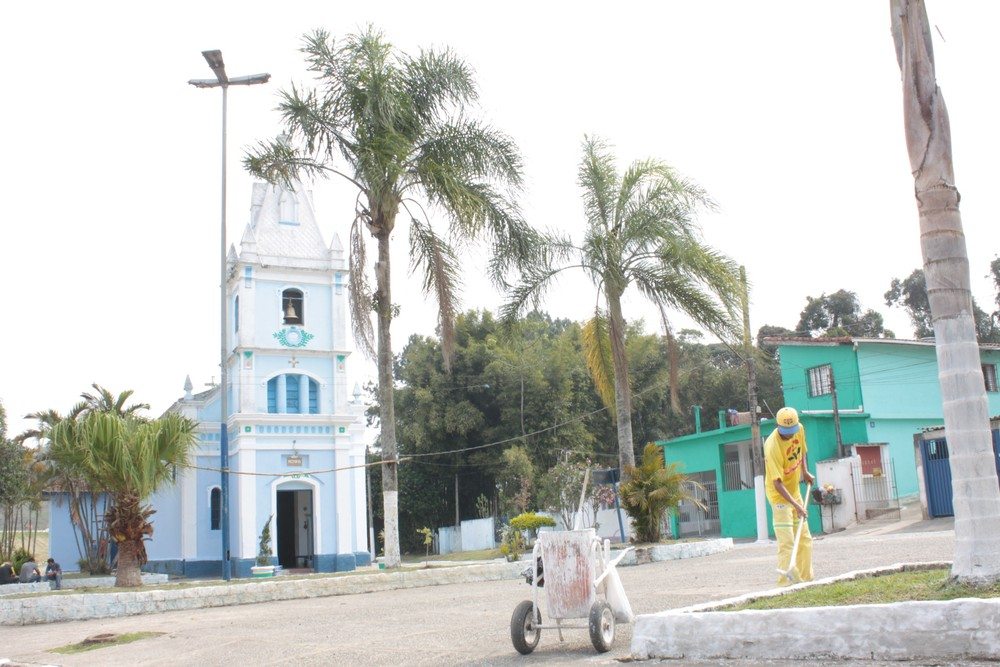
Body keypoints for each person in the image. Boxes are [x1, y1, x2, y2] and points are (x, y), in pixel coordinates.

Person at [764, 407, 815, 585]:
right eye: (785, 432)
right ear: (777, 426)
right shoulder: (772, 446)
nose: (789, 435)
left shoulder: (799, 429)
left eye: (791, 431)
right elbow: (777, 484)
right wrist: (796, 505)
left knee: (805, 538)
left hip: (794, 493)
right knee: (787, 543)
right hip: (780, 498)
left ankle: (806, 581)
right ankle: (785, 584)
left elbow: (802, 452)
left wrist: (805, 472)